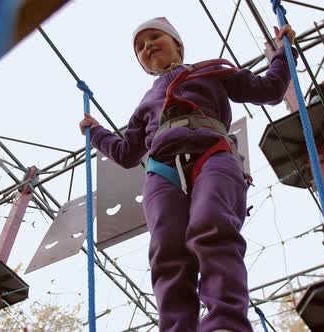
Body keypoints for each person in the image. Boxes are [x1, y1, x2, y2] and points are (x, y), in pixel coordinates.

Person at [79, 17, 297, 332]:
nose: (147, 46)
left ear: (177, 45)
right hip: (161, 170)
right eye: (140, 47)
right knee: (167, 249)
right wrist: (96, 132)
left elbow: (270, 89)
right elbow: (127, 153)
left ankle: (225, 322)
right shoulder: (144, 105)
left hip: (213, 154)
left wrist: (282, 53)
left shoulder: (213, 71)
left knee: (211, 222)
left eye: (154, 37)